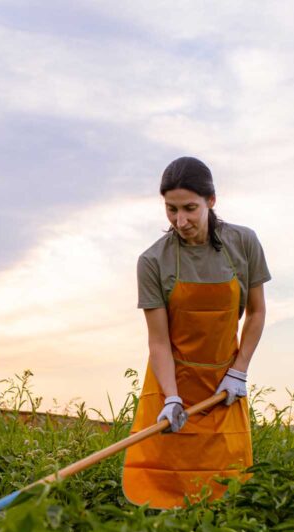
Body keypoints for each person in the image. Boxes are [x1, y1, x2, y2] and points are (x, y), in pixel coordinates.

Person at [123, 157, 270, 509]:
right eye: (171, 210)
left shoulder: (243, 243)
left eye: (190, 208)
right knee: (164, 492)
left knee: (225, 491)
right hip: (172, 385)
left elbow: (257, 311)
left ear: (211, 201)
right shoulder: (153, 261)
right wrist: (171, 399)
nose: (180, 221)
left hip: (224, 389)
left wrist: (239, 371)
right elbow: (158, 340)